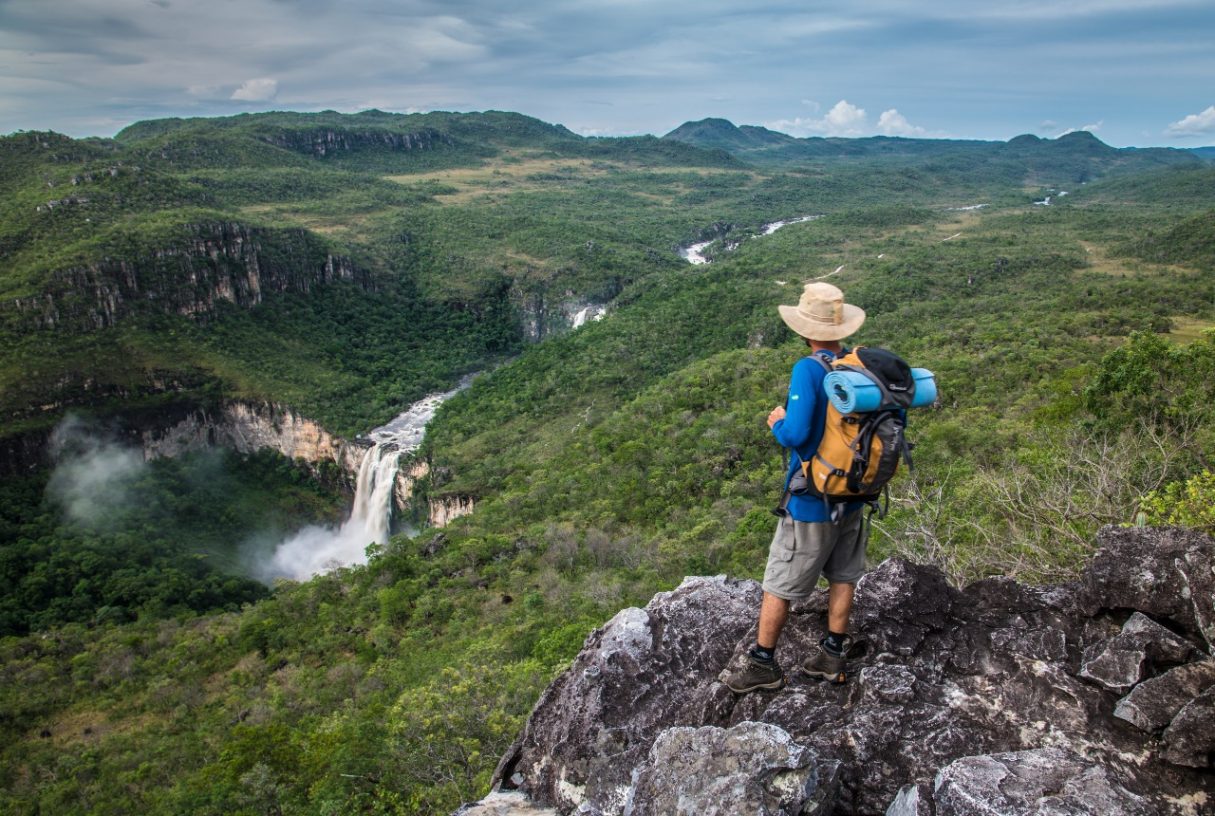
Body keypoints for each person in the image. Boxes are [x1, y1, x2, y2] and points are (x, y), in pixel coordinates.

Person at [724, 281, 869, 693]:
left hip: (812, 500)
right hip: (854, 496)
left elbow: (798, 433)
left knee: (779, 582)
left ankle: (762, 664)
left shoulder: (809, 369)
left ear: (806, 330)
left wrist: (777, 423)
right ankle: (832, 655)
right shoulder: (857, 367)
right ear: (841, 329)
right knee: (843, 575)